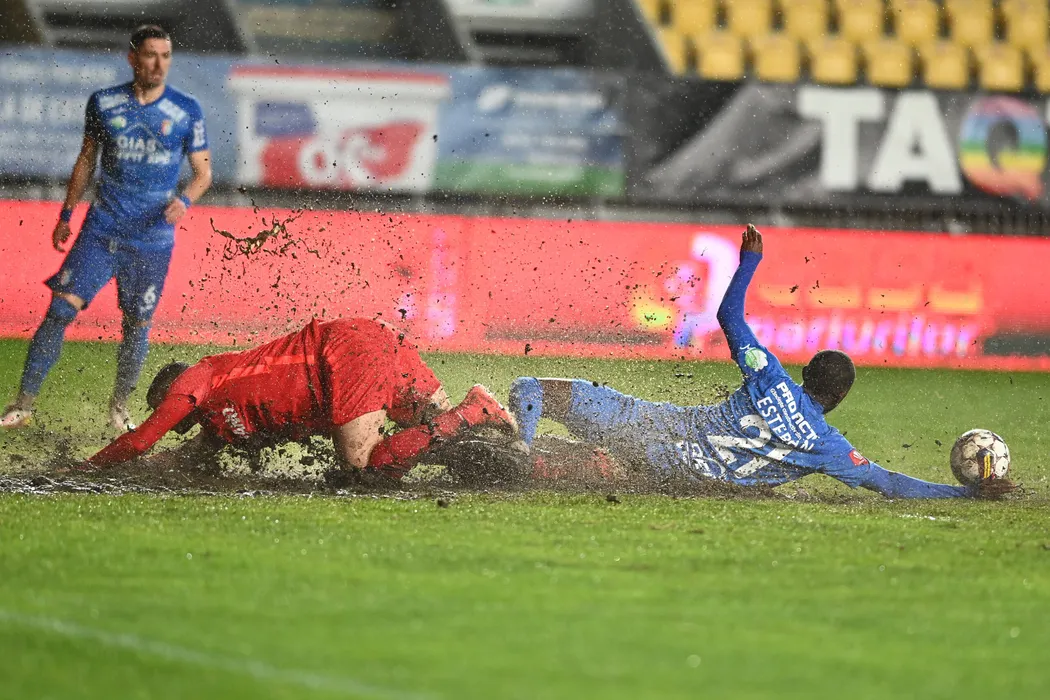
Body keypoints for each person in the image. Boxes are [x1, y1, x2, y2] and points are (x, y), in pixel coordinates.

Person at [508, 225, 1015, 499]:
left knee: (532, 389)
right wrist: (967, 496)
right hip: (676, 473)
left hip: (650, 426)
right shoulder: (829, 448)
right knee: (594, 467)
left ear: (804, 374)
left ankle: (520, 449)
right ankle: (541, 462)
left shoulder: (769, 376)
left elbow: (729, 316)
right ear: (840, 397)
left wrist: (750, 259)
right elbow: (891, 484)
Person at [1, 25, 213, 432]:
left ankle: (119, 406)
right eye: (150, 55)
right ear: (133, 58)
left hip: (151, 240)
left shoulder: (186, 109)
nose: (159, 64)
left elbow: (203, 173)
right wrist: (66, 214)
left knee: (136, 325)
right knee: (60, 309)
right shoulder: (104, 102)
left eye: (166, 56)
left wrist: (184, 201)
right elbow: (86, 160)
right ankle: (23, 405)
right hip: (102, 230)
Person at [85, 317, 517, 480]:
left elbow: (141, 440)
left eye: (165, 406)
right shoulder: (219, 424)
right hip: (367, 341)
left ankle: (472, 410)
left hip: (345, 354)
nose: (171, 415)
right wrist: (139, 472)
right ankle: (539, 464)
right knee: (453, 447)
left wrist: (84, 469)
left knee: (362, 470)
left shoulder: (201, 377)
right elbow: (185, 459)